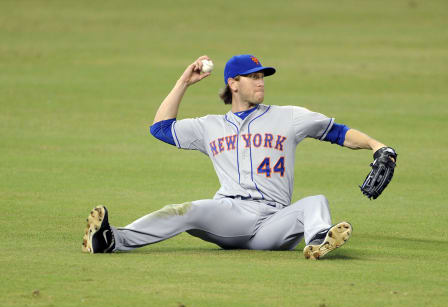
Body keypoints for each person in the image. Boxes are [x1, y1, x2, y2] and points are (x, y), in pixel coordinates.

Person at [82, 54, 396, 259]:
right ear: (233, 83)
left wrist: (376, 145)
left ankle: (317, 241)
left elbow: (339, 132)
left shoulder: (290, 117)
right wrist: (183, 82)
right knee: (186, 209)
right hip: (228, 214)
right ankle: (112, 240)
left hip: (274, 222)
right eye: (252, 77)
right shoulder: (210, 126)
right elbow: (161, 129)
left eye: (262, 76)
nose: (260, 82)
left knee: (315, 202)